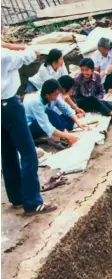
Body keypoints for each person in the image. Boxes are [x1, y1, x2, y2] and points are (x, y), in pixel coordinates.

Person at [1, 46, 57, 215]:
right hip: (9, 104)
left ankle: (17, 196)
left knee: (8, 153)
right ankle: (33, 202)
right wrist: (33, 51)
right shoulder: (4, 55)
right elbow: (26, 57)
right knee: (28, 153)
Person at [24, 79, 87, 144]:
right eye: (55, 94)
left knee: (70, 121)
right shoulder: (36, 102)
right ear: (47, 95)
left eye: (58, 94)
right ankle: (64, 133)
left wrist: (78, 121)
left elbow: (66, 108)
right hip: (30, 128)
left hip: (44, 120)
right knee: (50, 113)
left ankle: (63, 131)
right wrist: (67, 135)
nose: (57, 97)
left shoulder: (53, 95)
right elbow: (46, 126)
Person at [72, 58, 112, 124]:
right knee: (94, 100)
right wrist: (77, 109)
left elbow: (102, 91)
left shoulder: (97, 76)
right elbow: (73, 96)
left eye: (87, 70)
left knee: (107, 103)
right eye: (82, 70)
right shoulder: (77, 78)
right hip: (82, 104)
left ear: (92, 70)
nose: (84, 73)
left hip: (95, 101)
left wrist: (98, 100)